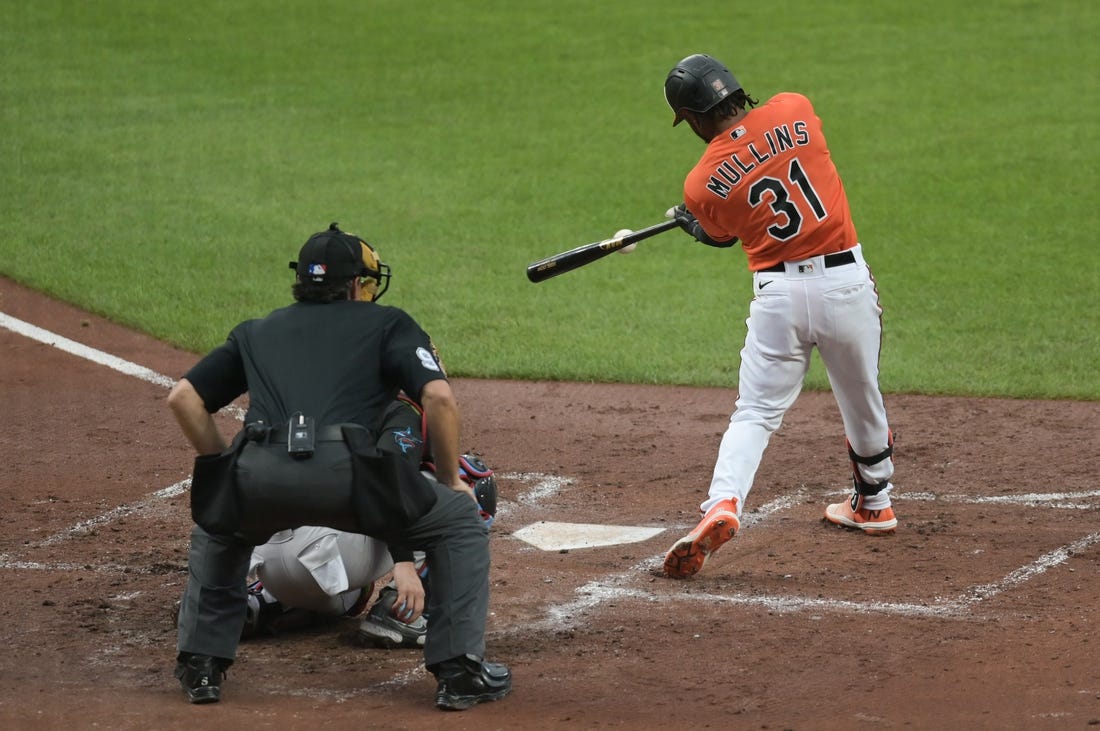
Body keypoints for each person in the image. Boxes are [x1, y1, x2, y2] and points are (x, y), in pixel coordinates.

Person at [166, 222, 511, 710]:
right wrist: (452, 481)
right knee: (458, 519)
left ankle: (200, 665)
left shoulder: (256, 330)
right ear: (354, 286)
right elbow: (437, 397)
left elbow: (183, 398)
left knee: (220, 526)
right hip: (348, 477)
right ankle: (459, 672)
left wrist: (222, 465)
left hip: (259, 470)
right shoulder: (387, 323)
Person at [659, 54, 898, 579]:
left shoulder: (700, 183)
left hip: (779, 296)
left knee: (756, 412)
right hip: (845, 286)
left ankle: (723, 504)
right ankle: (875, 504)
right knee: (861, 396)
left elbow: (723, 234)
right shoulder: (795, 107)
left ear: (694, 117)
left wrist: (692, 224)